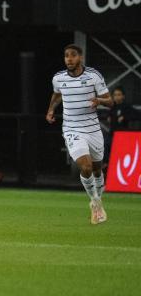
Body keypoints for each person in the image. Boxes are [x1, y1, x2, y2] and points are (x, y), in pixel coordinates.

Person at [46, 44, 113, 225]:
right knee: (86, 167)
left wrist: (99, 100)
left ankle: (98, 199)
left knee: (98, 169)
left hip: (93, 129)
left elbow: (111, 101)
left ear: (80, 57)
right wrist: (51, 109)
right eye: (66, 55)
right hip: (72, 129)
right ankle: (95, 203)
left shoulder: (93, 75)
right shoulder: (58, 78)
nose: (69, 59)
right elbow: (57, 94)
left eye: (73, 55)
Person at [104, 86, 139, 165]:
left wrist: (125, 117)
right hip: (112, 133)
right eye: (115, 95)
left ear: (123, 96)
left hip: (122, 134)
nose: (117, 97)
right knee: (105, 144)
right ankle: (106, 164)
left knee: (119, 152)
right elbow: (108, 114)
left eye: (119, 95)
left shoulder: (126, 107)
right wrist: (108, 117)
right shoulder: (113, 106)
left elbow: (137, 115)